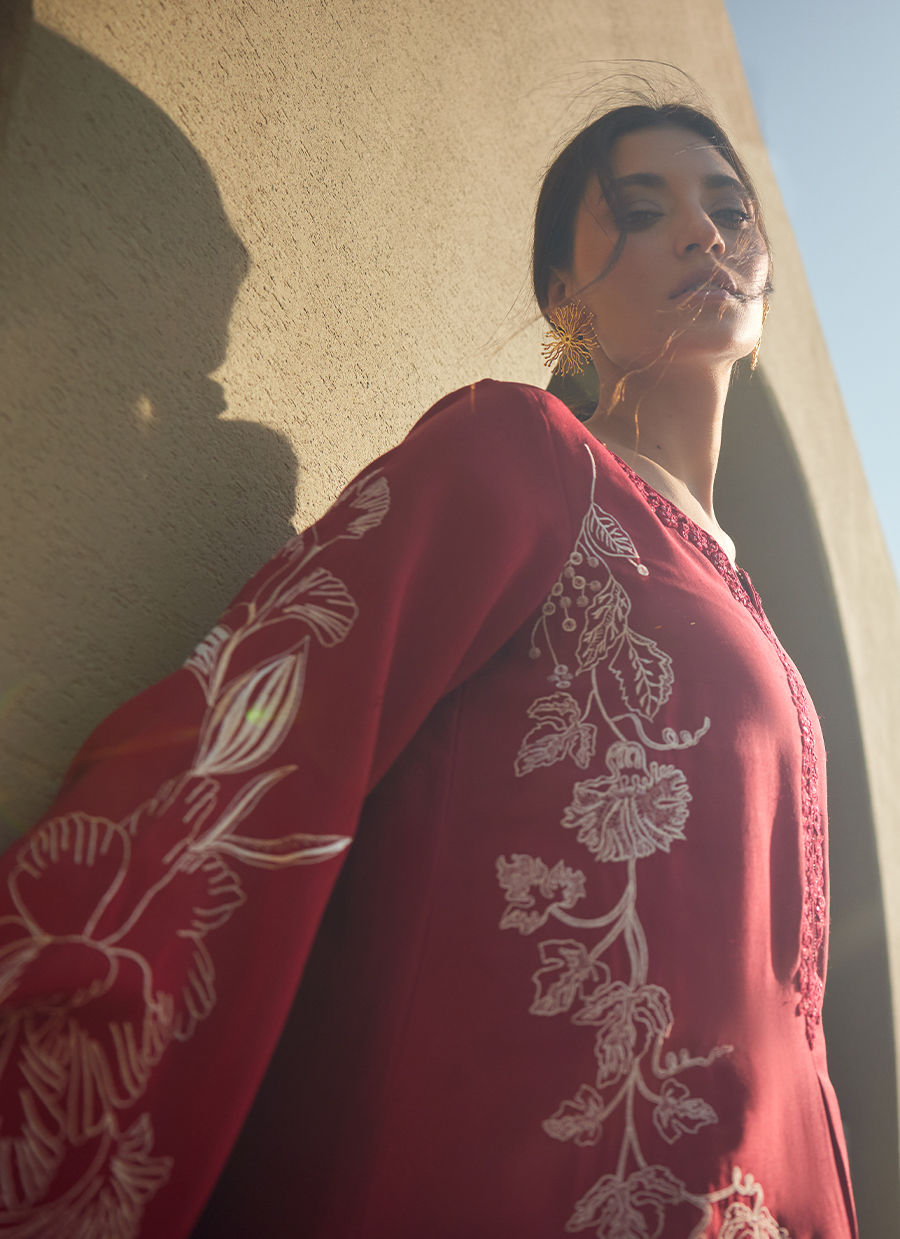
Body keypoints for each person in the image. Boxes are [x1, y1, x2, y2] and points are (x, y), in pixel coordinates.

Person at [0, 102, 857, 1238]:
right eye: (643, 212)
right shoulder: (526, 456)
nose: (704, 233)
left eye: (730, 211)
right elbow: (271, 730)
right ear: (564, 295)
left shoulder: (752, 602)